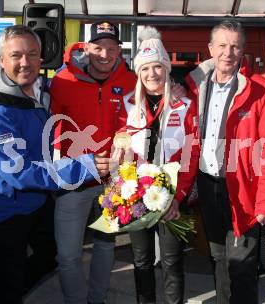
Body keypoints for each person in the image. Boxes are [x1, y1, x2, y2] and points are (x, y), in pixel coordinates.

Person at [0, 25, 109, 304]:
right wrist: (85, 166)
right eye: (16, 55)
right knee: (9, 283)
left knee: (52, 256)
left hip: (35, 201)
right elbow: (18, 173)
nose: (25, 62)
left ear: (41, 58)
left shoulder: (35, 90)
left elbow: (74, 75)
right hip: (3, 209)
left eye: (32, 54)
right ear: (1, 60)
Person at [185, 21, 265, 303]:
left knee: (242, 263)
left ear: (242, 50)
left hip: (244, 189)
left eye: (235, 46)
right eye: (222, 45)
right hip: (208, 185)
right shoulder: (195, 86)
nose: (228, 52)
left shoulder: (262, 91)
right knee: (218, 256)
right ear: (210, 49)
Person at [49, 21, 137, 304]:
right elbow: (50, 126)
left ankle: (97, 299)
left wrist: (121, 159)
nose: (105, 54)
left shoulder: (129, 81)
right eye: (98, 47)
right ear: (87, 48)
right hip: (73, 178)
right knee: (68, 254)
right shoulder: (63, 80)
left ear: (119, 50)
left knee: (104, 246)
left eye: (111, 47)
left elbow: (132, 124)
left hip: (111, 181)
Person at [116, 26, 200, 304]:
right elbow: (120, 147)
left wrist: (178, 196)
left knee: (171, 261)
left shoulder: (185, 104)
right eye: (145, 69)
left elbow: (191, 153)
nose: (152, 74)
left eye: (157, 67)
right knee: (141, 260)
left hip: (173, 196)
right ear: (138, 73)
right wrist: (125, 186)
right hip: (137, 195)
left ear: (166, 69)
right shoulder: (127, 104)